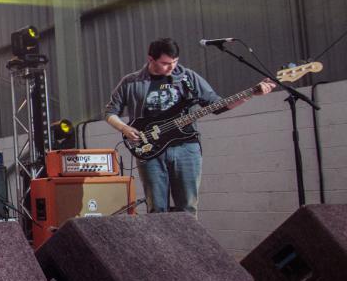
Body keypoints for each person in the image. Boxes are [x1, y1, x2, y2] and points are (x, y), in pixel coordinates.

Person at [104, 37, 274, 214]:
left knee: (187, 208)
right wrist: (124, 128)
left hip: (186, 148)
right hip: (149, 149)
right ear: (150, 59)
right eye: (165, 63)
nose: (172, 67)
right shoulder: (131, 82)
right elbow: (109, 112)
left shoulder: (188, 77)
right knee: (156, 208)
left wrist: (251, 94)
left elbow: (217, 106)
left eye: (175, 62)